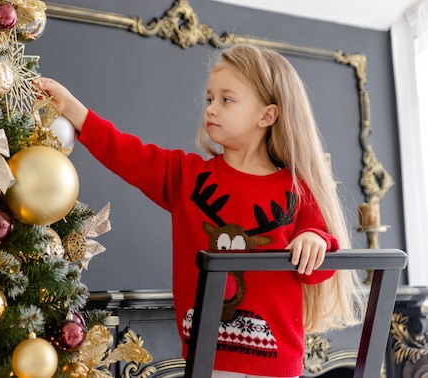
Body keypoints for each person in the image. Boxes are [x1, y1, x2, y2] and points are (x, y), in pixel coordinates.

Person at [36, 44, 364, 378]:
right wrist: (74, 110)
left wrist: (316, 240)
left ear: (266, 115)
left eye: (226, 99)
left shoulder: (297, 189)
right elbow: (126, 153)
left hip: (278, 365)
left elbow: (319, 271)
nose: (211, 109)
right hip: (207, 360)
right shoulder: (186, 176)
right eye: (210, 99)